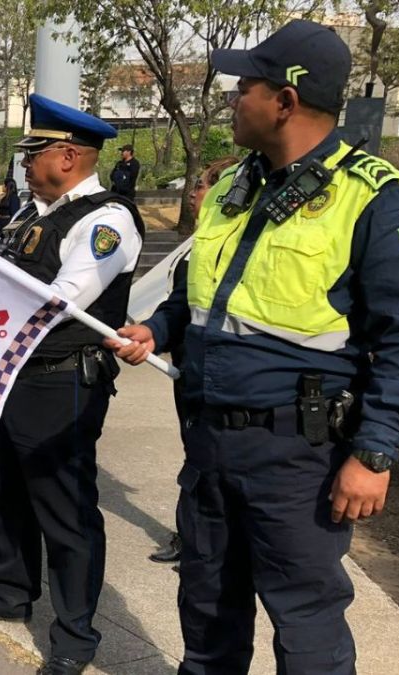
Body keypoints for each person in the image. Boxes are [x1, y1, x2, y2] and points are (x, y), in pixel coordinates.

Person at [106, 21, 399, 674]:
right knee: (207, 617)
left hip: (298, 457)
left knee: (306, 629)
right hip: (208, 445)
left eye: (244, 86)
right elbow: (201, 295)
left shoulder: (377, 198)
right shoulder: (234, 186)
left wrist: (373, 453)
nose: (232, 99)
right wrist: (160, 328)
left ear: (284, 100)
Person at [0, 94, 143, 675]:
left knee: (65, 510)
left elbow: (63, 300)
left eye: (34, 153)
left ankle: (75, 637)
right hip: (4, 376)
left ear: (69, 156)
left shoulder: (108, 219)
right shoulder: (32, 212)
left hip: (60, 384)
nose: (24, 164)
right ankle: (7, 590)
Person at [140, 156, 239, 567]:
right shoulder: (198, 243)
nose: (195, 193)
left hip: (217, 376)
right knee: (195, 455)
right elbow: (179, 303)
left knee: (210, 460)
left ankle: (202, 540)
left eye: (203, 186)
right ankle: (192, 536)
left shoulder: (224, 243)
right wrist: (154, 331)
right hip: (190, 370)